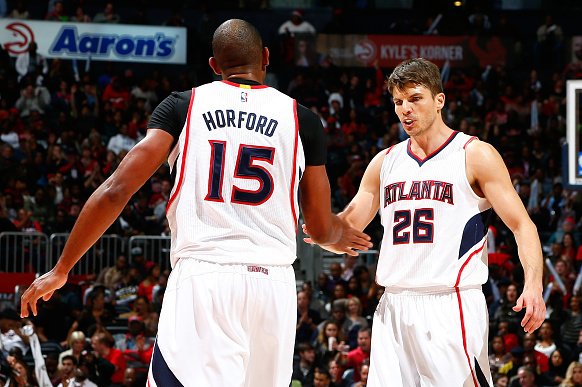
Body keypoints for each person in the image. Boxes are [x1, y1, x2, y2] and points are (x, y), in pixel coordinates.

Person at [20, 19, 371, 387]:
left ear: (214, 67)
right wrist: (337, 235)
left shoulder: (184, 105)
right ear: (266, 58)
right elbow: (318, 227)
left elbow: (115, 191)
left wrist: (62, 268)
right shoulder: (304, 119)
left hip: (205, 278)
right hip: (275, 287)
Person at [305, 58, 546, 386]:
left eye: (415, 98)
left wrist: (533, 285)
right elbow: (347, 225)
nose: (406, 109)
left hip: (450, 303)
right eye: (398, 102)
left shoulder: (474, 154)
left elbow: (522, 226)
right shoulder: (384, 162)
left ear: (439, 100)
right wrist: (323, 231)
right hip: (393, 304)